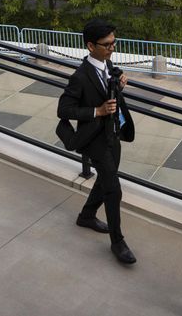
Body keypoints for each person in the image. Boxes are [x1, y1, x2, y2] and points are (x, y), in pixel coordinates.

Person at [57, 19, 137, 264]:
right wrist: (97, 111)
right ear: (91, 46)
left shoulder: (108, 65)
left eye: (114, 43)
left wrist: (119, 85)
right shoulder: (80, 77)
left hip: (114, 135)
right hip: (95, 139)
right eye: (107, 44)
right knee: (114, 189)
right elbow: (64, 109)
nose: (112, 48)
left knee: (105, 179)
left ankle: (87, 215)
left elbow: (109, 94)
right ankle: (117, 242)